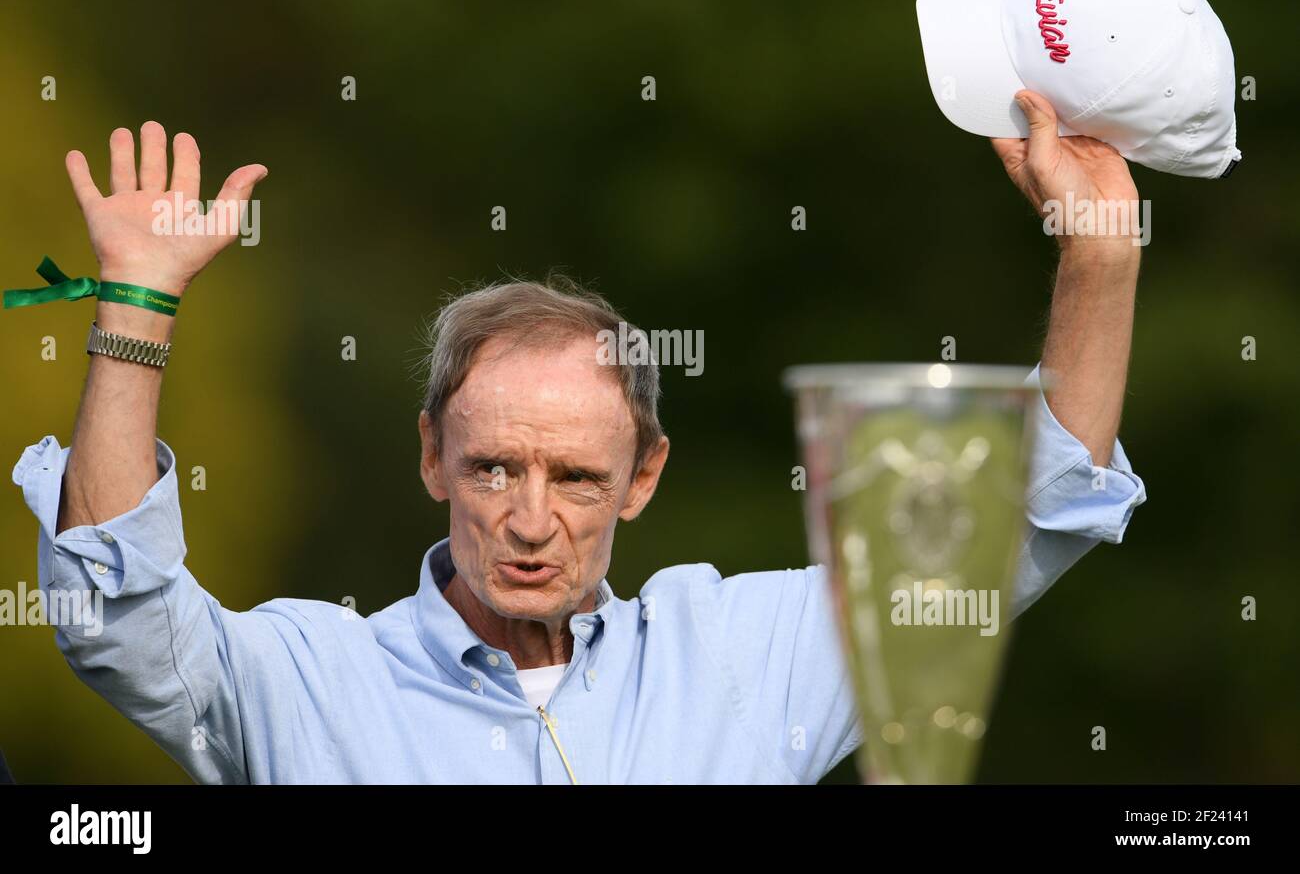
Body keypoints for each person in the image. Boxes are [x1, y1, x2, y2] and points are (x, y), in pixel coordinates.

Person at [12, 99, 1145, 783]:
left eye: (576, 474)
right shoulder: (304, 675)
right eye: (493, 464)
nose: (529, 517)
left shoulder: (748, 658)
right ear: (430, 458)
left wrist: (1099, 253)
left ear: (643, 476)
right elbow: (112, 610)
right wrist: (136, 310)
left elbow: (1027, 515)